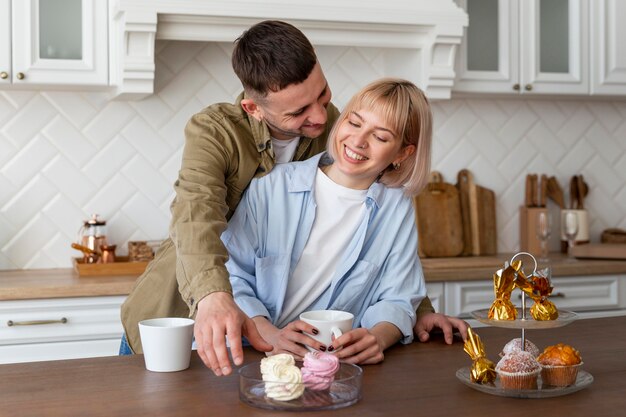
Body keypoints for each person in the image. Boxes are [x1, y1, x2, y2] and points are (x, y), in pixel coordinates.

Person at [120, 20, 467, 376]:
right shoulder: (216, 131)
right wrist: (214, 295)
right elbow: (195, 216)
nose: (319, 117)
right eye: (298, 112)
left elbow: (388, 254)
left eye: (324, 96)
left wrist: (416, 311)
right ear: (254, 109)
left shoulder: (339, 128)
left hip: (277, 350)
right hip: (179, 315)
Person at [222, 78, 443, 364]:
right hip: (250, 355)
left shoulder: (396, 207)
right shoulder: (271, 187)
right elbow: (231, 276)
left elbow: (398, 296)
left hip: (333, 365)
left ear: (402, 153)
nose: (359, 141)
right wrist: (269, 335)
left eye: (381, 137)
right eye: (354, 123)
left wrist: (378, 337)